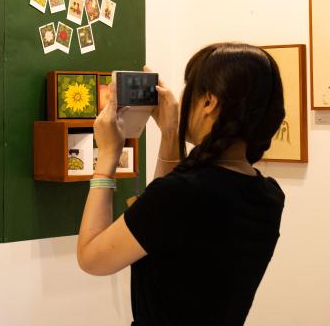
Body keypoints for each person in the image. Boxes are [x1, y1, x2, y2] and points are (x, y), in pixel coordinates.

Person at [77, 42, 286, 325]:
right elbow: (165, 224)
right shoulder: (268, 195)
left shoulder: (182, 194)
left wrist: (108, 158)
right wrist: (169, 135)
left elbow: (92, 258)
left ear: (209, 102)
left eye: (190, 86)